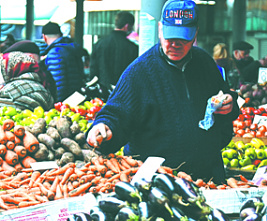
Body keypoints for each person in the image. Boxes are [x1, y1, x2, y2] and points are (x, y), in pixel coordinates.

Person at [86, 0, 239, 183]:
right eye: (170, 38)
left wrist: (230, 104)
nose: (175, 44)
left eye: (183, 39)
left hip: (208, 178)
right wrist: (103, 127)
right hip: (158, 184)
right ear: (160, 29)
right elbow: (116, 113)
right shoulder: (139, 72)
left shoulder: (204, 62)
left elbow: (225, 100)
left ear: (195, 33)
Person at [90, 11, 139, 89]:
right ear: (127, 26)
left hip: (103, 90)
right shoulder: (132, 48)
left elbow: (93, 70)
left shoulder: (99, 43)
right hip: (123, 90)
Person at [41, 22, 86, 103]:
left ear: (44, 37)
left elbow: (58, 83)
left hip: (65, 102)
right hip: (76, 97)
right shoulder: (71, 48)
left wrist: (57, 103)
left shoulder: (55, 52)